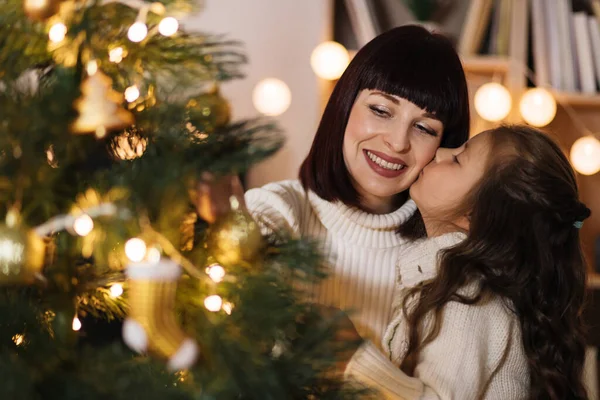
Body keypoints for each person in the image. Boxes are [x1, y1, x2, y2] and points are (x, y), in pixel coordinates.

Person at [195, 24, 469, 390]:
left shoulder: (446, 263)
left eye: (424, 128)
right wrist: (228, 222)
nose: (398, 142)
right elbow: (249, 244)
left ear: (445, 147)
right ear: (344, 106)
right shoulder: (285, 208)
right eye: (381, 110)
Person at [348, 125, 589, 399]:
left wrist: (351, 357)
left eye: (459, 159)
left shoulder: (469, 300)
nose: (440, 152)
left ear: (477, 215)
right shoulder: (450, 282)